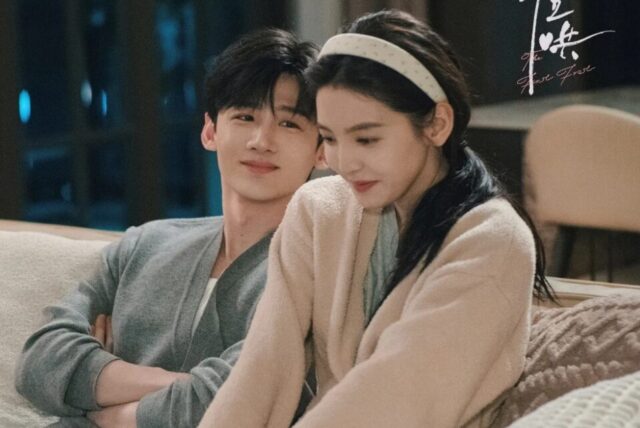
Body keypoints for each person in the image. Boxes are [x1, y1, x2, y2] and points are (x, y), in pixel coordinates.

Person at [198, 9, 556, 428]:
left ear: (437, 124)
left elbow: (397, 400)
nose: (343, 162)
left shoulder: (493, 240)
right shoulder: (317, 210)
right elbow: (263, 368)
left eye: (366, 138)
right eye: (329, 138)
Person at [15, 28, 324, 428]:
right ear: (210, 131)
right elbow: (39, 362)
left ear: (321, 150)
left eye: (288, 124)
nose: (261, 141)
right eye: (245, 117)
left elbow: (244, 400)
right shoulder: (145, 244)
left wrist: (102, 399)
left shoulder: (311, 272)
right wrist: (178, 384)